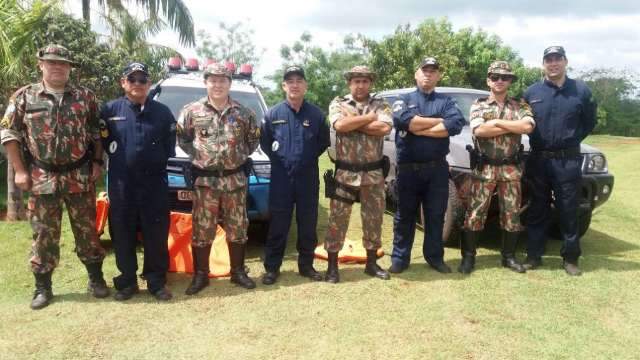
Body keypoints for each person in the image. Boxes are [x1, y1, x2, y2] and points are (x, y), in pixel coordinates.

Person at [0, 44, 109, 310]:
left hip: (79, 175)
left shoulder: (85, 97)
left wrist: (97, 162)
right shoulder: (25, 97)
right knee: (43, 235)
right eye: (52, 62)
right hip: (41, 176)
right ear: (41, 65)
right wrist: (21, 171)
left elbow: (98, 132)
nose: (58, 67)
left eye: (63, 63)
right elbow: (9, 134)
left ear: (70, 67)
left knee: (88, 232)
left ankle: (96, 280)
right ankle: (43, 287)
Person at [177, 63, 261, 293]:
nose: (218, 85)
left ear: (229, 83)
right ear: (206, 83)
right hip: (205, 182)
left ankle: (238, 272)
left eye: (222, 80)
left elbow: (253, 141)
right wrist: (200, 156)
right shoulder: (191, 111)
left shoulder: (244, 113)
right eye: (213, 80)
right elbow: (183, 138)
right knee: (202, 228)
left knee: (238, 226)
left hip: (235, 180)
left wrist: (237, 156)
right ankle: (201, 275)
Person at [100, 62, 176, 301]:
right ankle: (127, 282)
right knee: (123, 233)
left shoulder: (163, 112)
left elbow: (169, 147)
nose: (137, 84)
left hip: (154, 185)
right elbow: (103, 145)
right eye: (132, 79)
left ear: (148, 83)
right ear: (123, 82)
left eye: (142, 80)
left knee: (156, 233)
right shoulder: (109, 110)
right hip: (122, 185)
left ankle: (156, 282)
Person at [523, 46, 597, 276]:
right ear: (543, 64)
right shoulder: (531, 92)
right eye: (549, 60)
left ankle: (571, 258)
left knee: (568, 210)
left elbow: (589, 122)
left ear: (565, 62)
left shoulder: (581, 91)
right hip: (539, 160)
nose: (553, 64)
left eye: (557, 59)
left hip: (568, 161)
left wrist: (570, 140)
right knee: (537, 209)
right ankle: (534, 255)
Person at [389, 57, 465, 274]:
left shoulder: (447, 101)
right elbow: (404, 120)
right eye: (424, 70)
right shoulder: (403, 99)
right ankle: (400, 259)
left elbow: (456, 123)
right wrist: (438, 122)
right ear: (416, 74)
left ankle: (434, 257)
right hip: (408, 170)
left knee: (435, 215)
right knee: (404, 216)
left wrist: (419, 127)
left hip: (436, 170)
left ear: (438, 76)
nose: (428, 75)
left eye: (433, 71)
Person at [459, 61, 535, 274]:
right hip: (485, 168)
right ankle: (468, 257)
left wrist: (497, 123)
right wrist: (511, 126)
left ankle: (508, 257)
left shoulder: (520, 105)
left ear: (510, 81)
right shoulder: (479, 104)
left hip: (511, 169)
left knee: (511, 214)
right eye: (495, 77)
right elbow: (479, 131)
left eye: (505, 77)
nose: (499, 81)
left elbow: (527, 127)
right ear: (488, 80)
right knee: (475, 213)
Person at [260, 66, 330, 285]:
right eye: (290, 81)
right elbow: (265, 142)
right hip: (281, 177)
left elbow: (322, 143)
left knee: (307, 223)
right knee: (278, 224)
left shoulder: (317, 115)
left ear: (305, 85)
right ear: (284, 86)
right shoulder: (273, 114)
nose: (295, 84)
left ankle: (306, 266)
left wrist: (304, 159)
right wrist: (285, 159)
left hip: (307, 177)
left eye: (299, 80)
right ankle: (272, 268)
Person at [323, 65, 392, 283]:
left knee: (374, 219)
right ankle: (332, 267)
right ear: (349, 83)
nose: (360, 85)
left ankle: (371, 264)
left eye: (364, 81)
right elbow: (340, 125)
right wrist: (370, 118)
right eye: (356, 81)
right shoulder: (338, 103)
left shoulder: (381, 105)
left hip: (373, 173)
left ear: (370, 83)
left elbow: (384, 129)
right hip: (345, 173)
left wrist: (355, 122)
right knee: (337, 220)